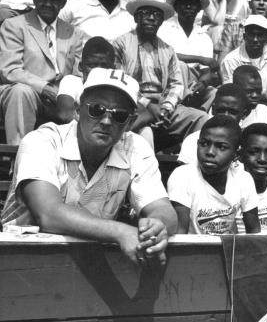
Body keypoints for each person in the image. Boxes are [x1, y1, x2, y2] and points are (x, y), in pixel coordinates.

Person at [1, 68, 176, 266]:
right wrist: (120, 231)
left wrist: (156, 227)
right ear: (77, 110)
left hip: (87, 258)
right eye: (97, 109)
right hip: (18, 258)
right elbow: (48, 214)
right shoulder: (42, 141)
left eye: (119, 115)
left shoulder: (135, 147)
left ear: (130, 122)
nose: (106, 121)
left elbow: (163, 210)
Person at [0, 0, 86, 144]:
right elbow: (10, 71)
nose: (47, 3)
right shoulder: (14, 25)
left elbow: (78, 74)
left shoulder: (74, 33)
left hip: (61, 99)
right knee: (20, 91)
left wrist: (65, 94)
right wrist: (46, 89)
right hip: (26, 93)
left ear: (63, 2)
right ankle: (18, 157)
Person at [113, 0, 207, 148]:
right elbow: (120, 83)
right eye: (146, 13)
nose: (151, 18)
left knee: (200, 118)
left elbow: (176, 84)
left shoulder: (168, 49)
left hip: (163, 107)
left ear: (162, 21)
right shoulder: (120, 44)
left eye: (157, 14)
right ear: (136, 17)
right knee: (145, 133)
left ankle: (190, 165)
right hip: (134, 106)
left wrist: (166, 108)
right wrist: (149, 106)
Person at [168, 115, 260, 235]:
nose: (210, 152)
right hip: (190, 250)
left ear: (236, 154)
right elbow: (179, 234)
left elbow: (254, 232)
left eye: (221, 147)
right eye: (204, 143)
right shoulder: (183, 176)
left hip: (227, 250)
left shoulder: (243, 179)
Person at [177, 82, 267, 165]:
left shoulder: (250, 145)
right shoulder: (193, 141)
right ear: (213, 109)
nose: (226, 116)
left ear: (244, 113)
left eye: (233, 112)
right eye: (221, 110)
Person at [158, 0, 217, 108]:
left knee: (213, 92)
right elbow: (166, 56)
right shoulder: (164, 28)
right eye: (184, 3)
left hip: (193, 80)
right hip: (167, 78)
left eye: (193, 4)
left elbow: (206, 71)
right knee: (181, 66)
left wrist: (202, 83)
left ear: (199, 9)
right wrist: (200, 59)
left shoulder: (204, 37)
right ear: (176, 7)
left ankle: (199, 116)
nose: (189, 7)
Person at [55, 36, 116, 123]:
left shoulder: (117, 87)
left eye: (105, 66)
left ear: (114, 69)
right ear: (80, 66)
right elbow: (65, 114)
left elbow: (142, 113)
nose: (98, 70)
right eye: (92, 65)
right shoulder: (72, 82)